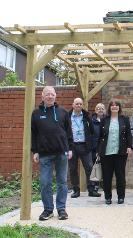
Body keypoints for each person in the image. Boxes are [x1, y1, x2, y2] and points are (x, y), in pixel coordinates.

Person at [31, 86, 72, 221]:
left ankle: (61, 209)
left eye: (52, 94)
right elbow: (34, 134)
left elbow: (68, 132)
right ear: (42, 97)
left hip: (61, 152)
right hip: (44, 154)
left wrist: (70, 148)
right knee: (45, 182)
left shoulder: (63, 112)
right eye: (47, 94)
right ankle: (48, 210)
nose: (50, 96)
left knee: (62, 182)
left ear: (55, 96)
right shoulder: (36, 113)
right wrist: (35, 151)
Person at [98, 100, 133, 205]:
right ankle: (108, 197)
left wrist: (129, 147)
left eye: (116, 105)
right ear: (109, 108)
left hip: (120, 152)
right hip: (106, 152)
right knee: (107, 176)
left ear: (119, 107)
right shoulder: (104, 120)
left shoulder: (124, 119)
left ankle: (121, 197)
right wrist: (98, 150)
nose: (114, 107)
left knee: (120, 176)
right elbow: (99, 136)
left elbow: (128, 135)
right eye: (112, 105)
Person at [68, 98, 101, 198]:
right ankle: (76, 190)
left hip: (85, 145)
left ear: (82, 105)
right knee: (73, 168)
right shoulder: (67, 116)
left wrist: (89, 142)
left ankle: (91, 190)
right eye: (76, 104)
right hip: (72, 146)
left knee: (89, 168)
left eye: (80, 104)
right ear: (73, 105)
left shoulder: (87, 116)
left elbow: (91, 130)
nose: (78, 105)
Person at [91, 103, 106, 192]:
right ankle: (95, 185)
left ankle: (105, 184)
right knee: (95, 166)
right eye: (98, 108)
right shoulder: (91, 121)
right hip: (94, 148)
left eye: (102, 108)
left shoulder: (108, 120)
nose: (100, 110)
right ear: (95, 110)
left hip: (105, 147)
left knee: (106, 166)